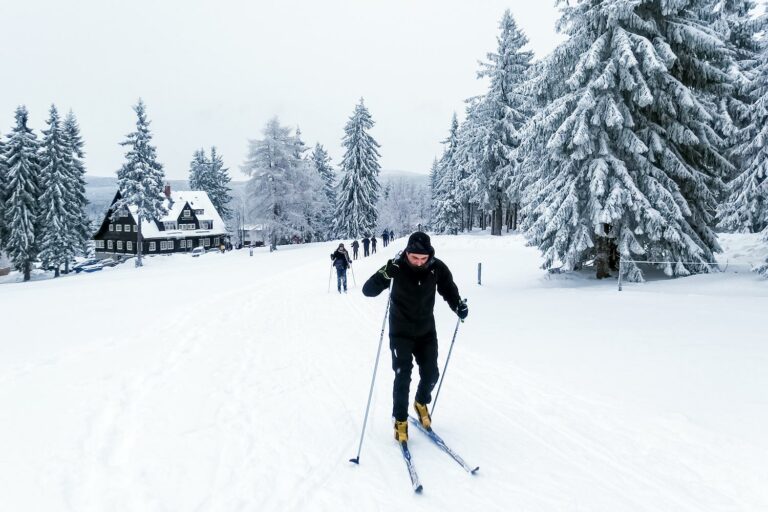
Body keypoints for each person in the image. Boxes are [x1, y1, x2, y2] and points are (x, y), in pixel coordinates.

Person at [362, 232, 468, 443]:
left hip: (426, 331)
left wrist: (458, 305)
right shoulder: (396, 267)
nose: (419, 262)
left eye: (423, 258)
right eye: (414, 258)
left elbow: (448, 289)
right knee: (403, 376)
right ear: (407, 253)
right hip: (400, 332)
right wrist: (385, 273)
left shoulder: (437, 267)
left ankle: (421, 402)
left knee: (431, 374)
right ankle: (400, 419)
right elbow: (368, 290)